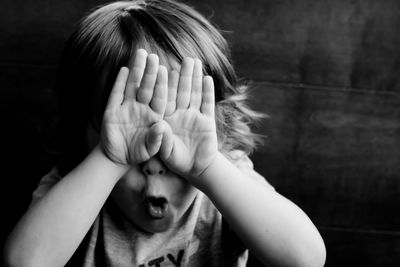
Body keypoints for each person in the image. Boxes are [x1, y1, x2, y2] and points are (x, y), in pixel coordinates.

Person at [4, 0, 326, 266]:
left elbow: (305, 259)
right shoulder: (75, 186)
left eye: (176, 131)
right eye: (134, 132)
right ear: (83, 129)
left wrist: (208, 168)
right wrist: (109, 158)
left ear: (219, 125)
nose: (154, 161)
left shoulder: (227, 175)